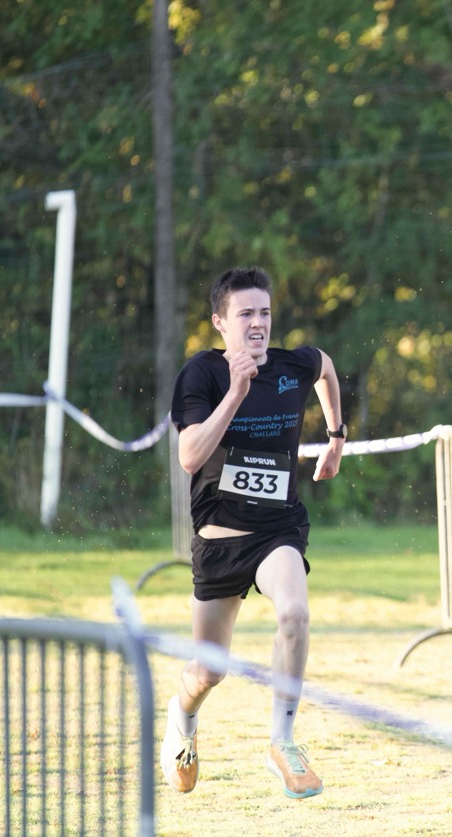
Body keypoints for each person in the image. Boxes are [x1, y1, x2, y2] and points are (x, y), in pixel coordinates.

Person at [162, 267, 346, 800]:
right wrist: (237, 391)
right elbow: (190, 456)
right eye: (245, 314)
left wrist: (336, 436)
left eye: (264, 313)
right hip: (220, 538)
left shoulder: (292, 365)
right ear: (220, 322)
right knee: (209, 671)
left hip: (276, 529)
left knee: (294, 613)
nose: (258, 323)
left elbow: (325, 367)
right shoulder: (202, 374)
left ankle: (282, 741)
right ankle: (182, 720)